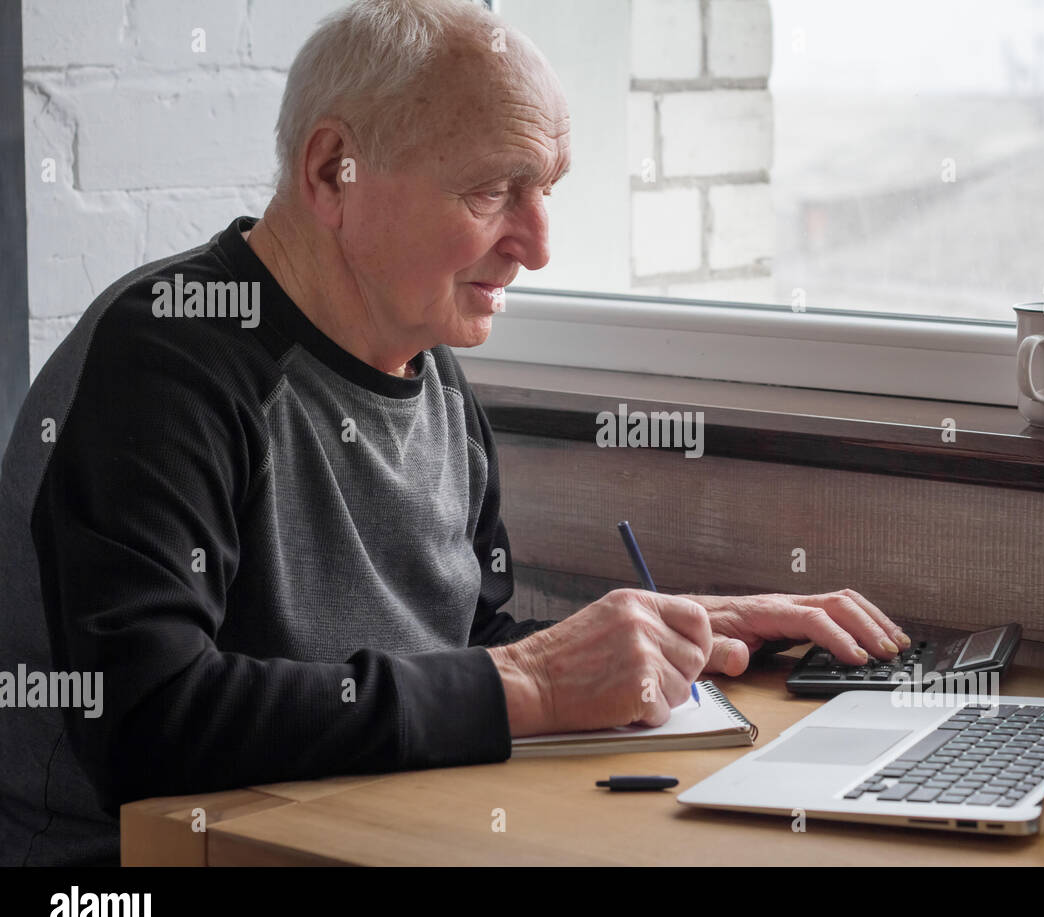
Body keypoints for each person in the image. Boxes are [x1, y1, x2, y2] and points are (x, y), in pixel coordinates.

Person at [0, 0, 908, 866]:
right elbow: (150, 722)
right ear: (331, 174)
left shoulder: (431, 369)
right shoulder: (164, 358)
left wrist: (677, 631)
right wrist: (537, 684)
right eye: (491, 191)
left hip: (354, 836)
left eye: (546, 188)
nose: (539, 244)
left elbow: (461, 650)